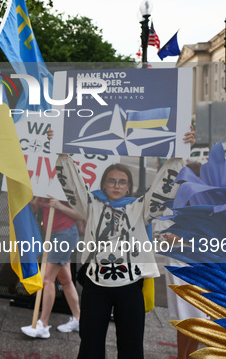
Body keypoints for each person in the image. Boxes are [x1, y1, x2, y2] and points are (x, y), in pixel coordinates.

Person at [55, 128, 195, 359]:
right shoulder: (90, 203)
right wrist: (61, 154)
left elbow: (163, 186)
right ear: (104, 183)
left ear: (128, 186)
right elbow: (73, 184)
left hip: (130, 285)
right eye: (112, 181)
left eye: (122, 182)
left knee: (131, 346)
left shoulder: (141, 207)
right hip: (95, 285)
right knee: (90, 342)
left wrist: (179, 153)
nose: (117, 186)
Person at [158, 161, 206, 359]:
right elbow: (163, 238)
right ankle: (181, 356)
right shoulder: (172, 207)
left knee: (200, 317)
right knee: (184, 316)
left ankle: (190, 355)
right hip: (179, 267)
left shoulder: (208, 205)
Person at [21, 196, 84, 339]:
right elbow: (34, 208)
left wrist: (59, 206)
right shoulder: (42, 186)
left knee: (47, 279)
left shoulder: (63, 187)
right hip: (52, 235)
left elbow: (81, 214)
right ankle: (78, 319)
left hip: (65, 234)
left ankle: (43, 325)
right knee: (65, 280)